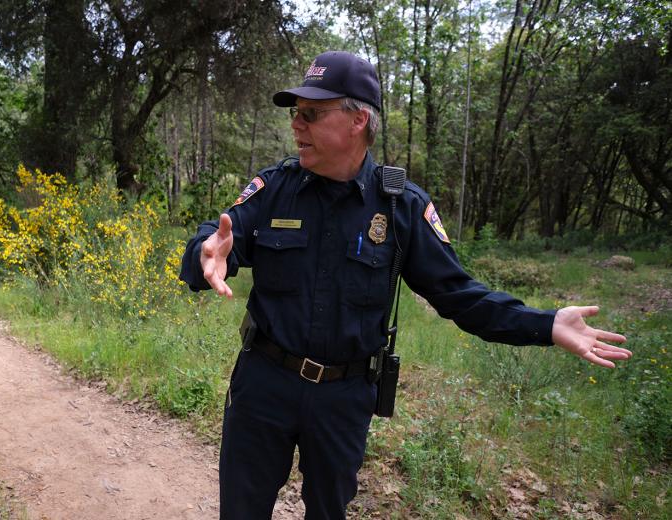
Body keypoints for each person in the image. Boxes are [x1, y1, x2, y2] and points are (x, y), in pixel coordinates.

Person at [179, 51, 632, 520]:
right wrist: (204, 254)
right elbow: (216, 241)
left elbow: (460, 296)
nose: (297, 125)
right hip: (263, 385)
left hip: (344, 397)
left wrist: (545, 323)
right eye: (295, 113)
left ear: (357, 120)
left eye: (311, 114)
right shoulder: (275, 188)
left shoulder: (401, 209)